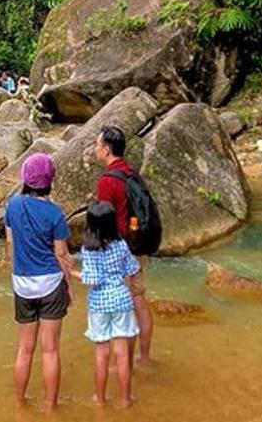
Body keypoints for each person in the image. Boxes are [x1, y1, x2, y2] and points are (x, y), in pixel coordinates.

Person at [3, 153, 74, 412]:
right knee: (50, 350)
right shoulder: (55, 214)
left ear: (25, 179)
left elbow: (10, 245)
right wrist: (69, 287)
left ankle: (20, 405)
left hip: (22, 284)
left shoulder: (12, 205)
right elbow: (62, 256)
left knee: (24, 349)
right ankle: (50, 408)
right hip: (51, 284)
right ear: (49, 181)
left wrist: (18, 272)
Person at [94, 125, 154, 364]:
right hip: (137, 244)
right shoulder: (131, 173)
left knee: (124, 310)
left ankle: (125, 365)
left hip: (118, 251)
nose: (95, 149)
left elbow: (104, 221)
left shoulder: (107, 181)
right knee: (139, 301)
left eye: (97, 145)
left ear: (106, 149)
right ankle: (145, 358)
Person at [73, 201, 140, 408]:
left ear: (90, 225)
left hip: (99, 304)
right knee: (121, 353)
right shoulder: (121, 245)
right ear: (113, 223)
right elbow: (133, 269)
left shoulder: (89, 249)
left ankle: (100, 398)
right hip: (122, 300)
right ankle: (126, 398)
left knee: (102, 354)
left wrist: (70, 271)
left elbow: (91, 280)